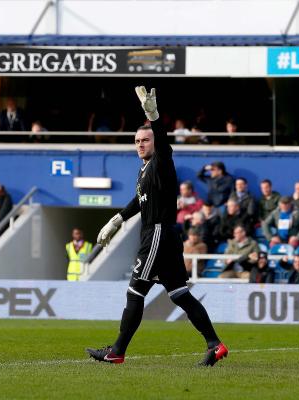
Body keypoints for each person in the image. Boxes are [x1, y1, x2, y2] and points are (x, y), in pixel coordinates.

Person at [87, 87, 227, 366]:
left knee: (134, 292)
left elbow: (163, 142)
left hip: (158, 233)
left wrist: (154, 116)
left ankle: (117, 351)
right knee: (180, 294)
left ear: (154, 142)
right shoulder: (144, 170)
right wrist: (118, 219)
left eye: (145, 140)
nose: (141, 144)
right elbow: (140, 200)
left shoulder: (161, 162)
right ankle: (215, 345)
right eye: (137, 140)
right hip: (163, 235)